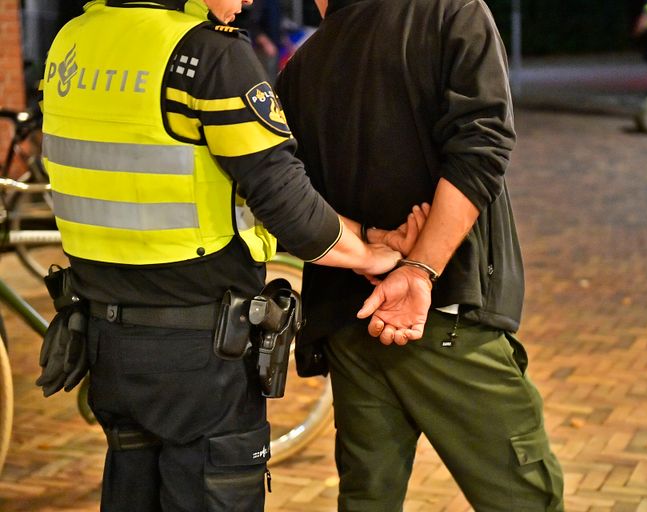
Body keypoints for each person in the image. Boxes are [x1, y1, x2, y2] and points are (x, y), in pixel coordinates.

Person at [39, 0, 404, 510]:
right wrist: (370, 256)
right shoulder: (207, 54)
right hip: (201, 356)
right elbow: (282, 198)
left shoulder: (72, 40)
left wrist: (358, 231)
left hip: (105, 342)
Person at [276, 0, 565, 510]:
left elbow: (290, 202)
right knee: (525, 497)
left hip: (351, 321)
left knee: (368, 498)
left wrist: (371, 245)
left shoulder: (302, 66)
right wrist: (419, 267)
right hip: (439, 317)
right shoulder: (451, 12)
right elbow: (482, 147)